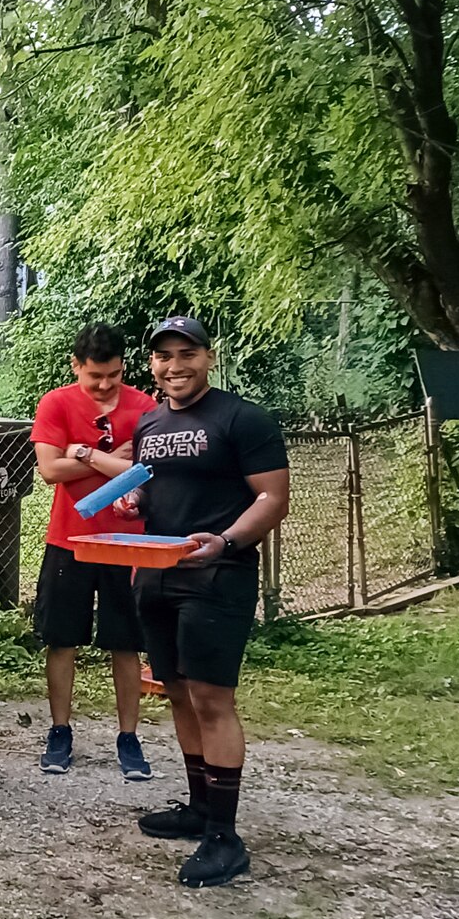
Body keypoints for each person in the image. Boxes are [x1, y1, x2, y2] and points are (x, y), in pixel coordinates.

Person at [127, 316, 290, 888]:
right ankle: (199, 807)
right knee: (175, 692)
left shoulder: (243, 419)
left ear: (209, 357)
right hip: (156, 575)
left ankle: (225, 835)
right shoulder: (148, 423)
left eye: (186, 353)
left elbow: (273, 498)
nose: (175, 366)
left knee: (212, 699)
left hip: (217, 574)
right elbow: (157, 484)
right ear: (152, 364)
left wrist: (223, 541)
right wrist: (135, 501)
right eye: (164, 356)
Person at [29, 323, 158, 780]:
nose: (105, 386)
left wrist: (83, 455)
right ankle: (60, 731)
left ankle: (129, 737)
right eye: (95, 377)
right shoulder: (56, 403)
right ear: (76, 367)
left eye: (114, 376)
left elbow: (146, 473)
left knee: (126, 642)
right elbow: (48, 470)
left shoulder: (146, 407)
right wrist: (117, 461)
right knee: (61, 639)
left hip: (130, 543)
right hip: (70, 540)